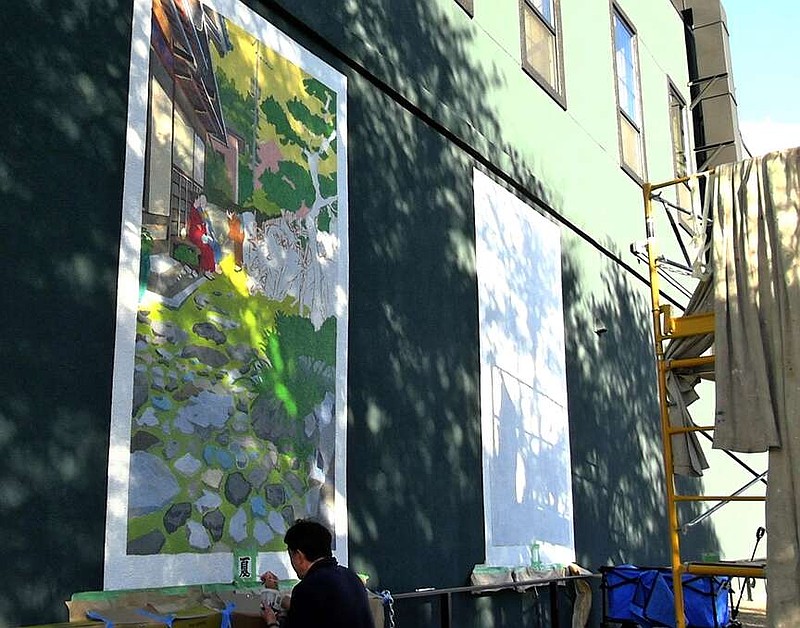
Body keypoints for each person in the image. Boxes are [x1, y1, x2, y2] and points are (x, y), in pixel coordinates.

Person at [259, 519, 375, 628]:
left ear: (299, 556)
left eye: (291, 556)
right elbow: (318, 610)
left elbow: (308, 603)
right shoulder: (352, 578)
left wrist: (271, 622)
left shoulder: (307, 588)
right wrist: (277, 596)